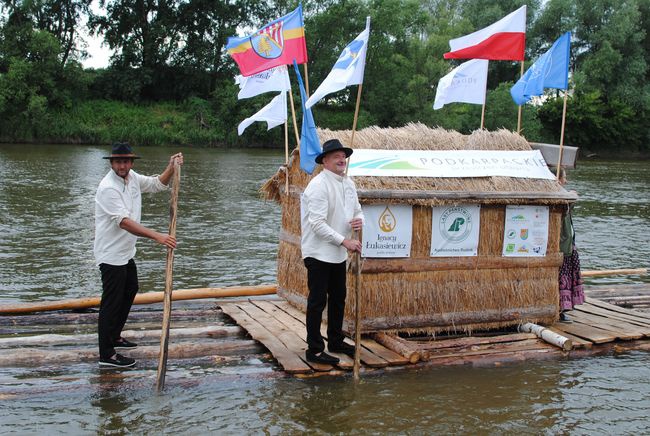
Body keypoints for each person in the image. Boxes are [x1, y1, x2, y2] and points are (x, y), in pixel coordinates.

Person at [94, 143, 183, 367]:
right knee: (111, 303)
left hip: (125, 252)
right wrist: (158, 236)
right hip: (110, 254)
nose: (123, 165)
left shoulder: (132, 177)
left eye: (126, 161)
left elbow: (156, 184)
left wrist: (171, 168)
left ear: (131, 163)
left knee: (131, 288)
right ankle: (106, 355)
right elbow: (124, 222)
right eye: (118, 162)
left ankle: (114, 336)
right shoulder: (108, 188)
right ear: (112, 163)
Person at [300, 139, 364, 365]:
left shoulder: (349, 183)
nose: (341, 159)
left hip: (338, 252)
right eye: (336, 156)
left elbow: (357, 211)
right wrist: (344, 241)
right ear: (324, 161)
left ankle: (335, 340)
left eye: (343, 156)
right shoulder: (318, 186)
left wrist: (359, 221)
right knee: (317, 301)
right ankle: (314, 349)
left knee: (339, 298)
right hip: (317, 252)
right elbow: (317, 224)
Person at [558, 168, 585, 323]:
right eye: (564, 177)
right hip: (562, 248)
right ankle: (560, 310)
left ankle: (563, 309)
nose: (566, 181)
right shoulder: (558, 198)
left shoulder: (565, 199)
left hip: (568, 246)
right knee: (561, 279)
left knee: (567, 280)